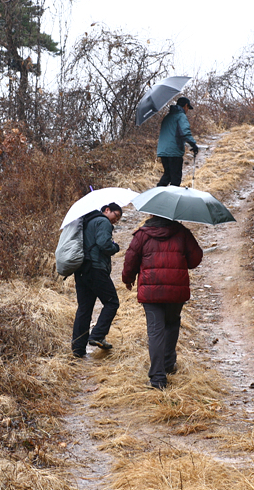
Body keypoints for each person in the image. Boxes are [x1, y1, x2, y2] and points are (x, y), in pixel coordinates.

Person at [121, 215, 203, 389]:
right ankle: (168, 364)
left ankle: (158, 378)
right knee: (172, 324)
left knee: (155, 331)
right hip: (176, 290)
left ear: (152, 214)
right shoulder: (182, 232)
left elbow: (130, 260)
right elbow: (195, 260)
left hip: (151, 292)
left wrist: (128, 279)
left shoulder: (142, 235)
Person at [71, 202, 124, 358]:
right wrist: (115, 247)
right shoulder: (102, 221)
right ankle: (97, 335)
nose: (116, 220)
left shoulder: (86, 222)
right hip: (96, 269)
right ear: (107, 210)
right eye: (116, 215)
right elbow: (104, 245)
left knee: (84, 309)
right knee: (112, 302)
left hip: (81, 270)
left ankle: (78, 349)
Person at [156, 96, 199, 187]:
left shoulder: (167, 117)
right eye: (188, 108)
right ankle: (171, 199)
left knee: (167, 175)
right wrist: (193, 144)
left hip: (163, 151)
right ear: (185, 105)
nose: (187, 110)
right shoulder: (181, 116)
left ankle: (156, 195)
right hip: (174, 152)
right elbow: (185, 132)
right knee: (176, 178)